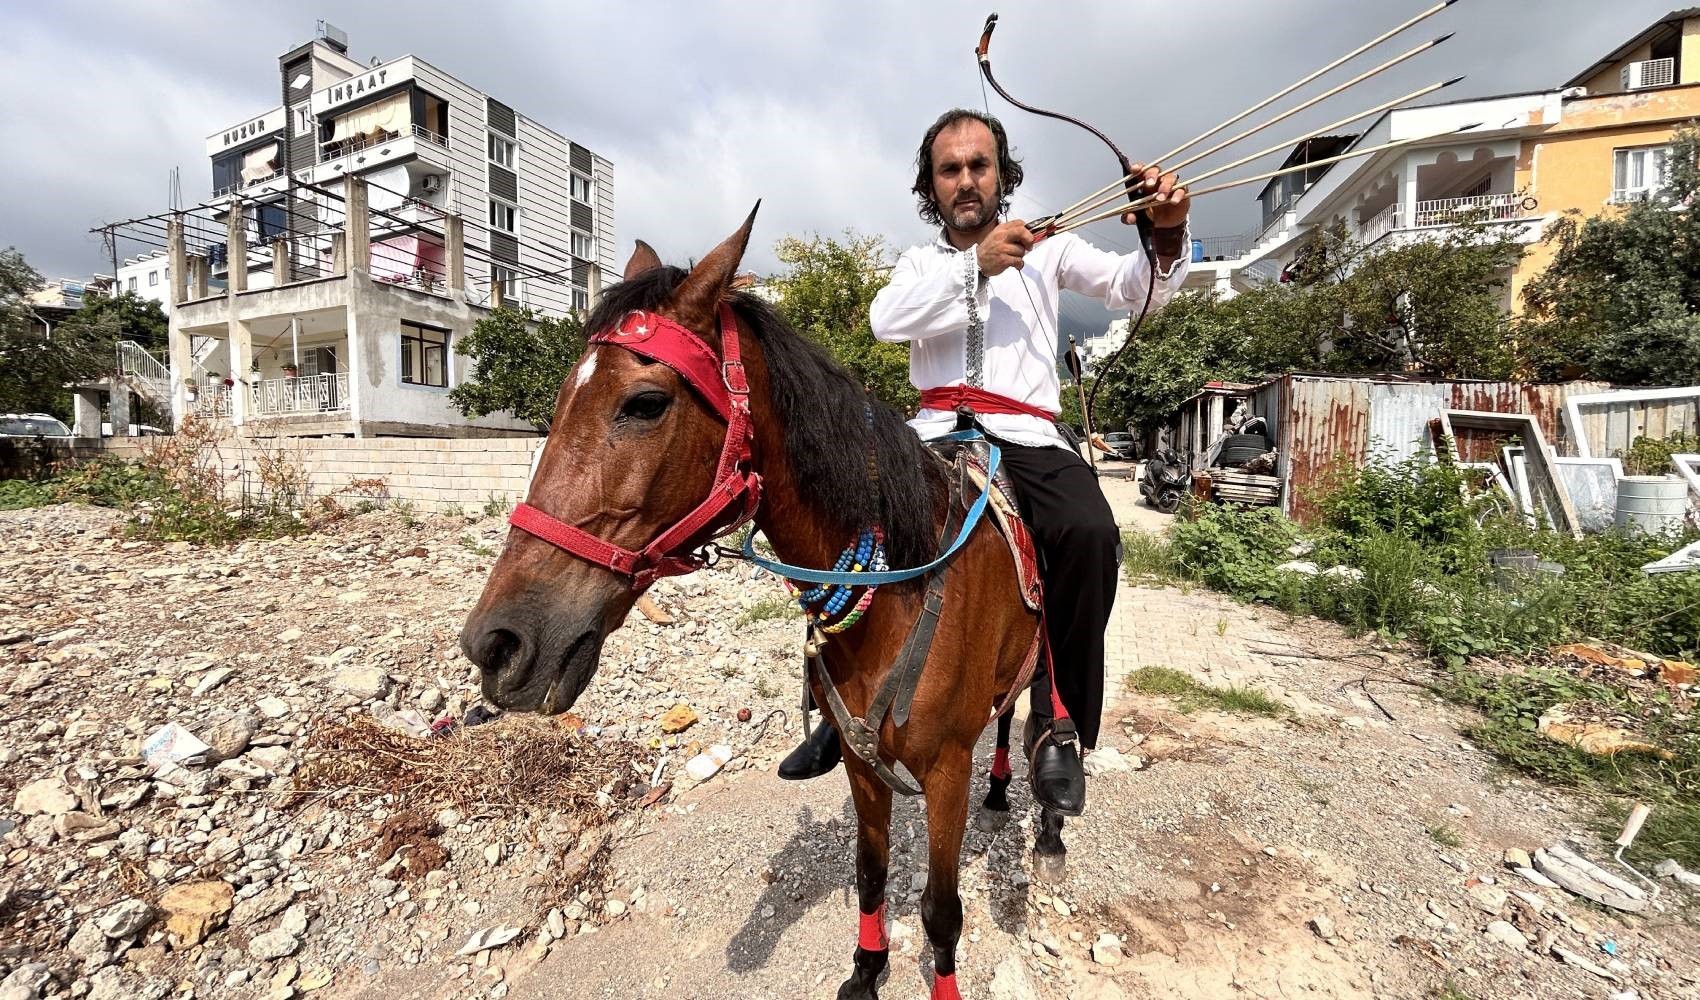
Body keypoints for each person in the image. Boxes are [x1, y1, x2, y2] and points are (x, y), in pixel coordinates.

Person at [779, 108, 1190, 816]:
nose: (966, 180)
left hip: (1025, 436)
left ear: (1001, 173)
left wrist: (1167, 229)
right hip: (931, 435)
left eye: (979, 165)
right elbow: (887, 320)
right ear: (931, 186)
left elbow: (1137, 287)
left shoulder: (1051, 251)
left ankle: (1059, 722)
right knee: (836, 523)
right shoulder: (920, 264)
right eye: (950, 169)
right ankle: (831, 704)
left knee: (1089, 535)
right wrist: (975, 267)